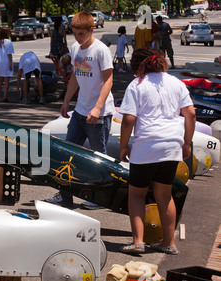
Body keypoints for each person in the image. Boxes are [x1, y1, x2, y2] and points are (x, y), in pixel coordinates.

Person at [118, 48, 196, 254]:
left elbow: (128, 119)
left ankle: (138, 241)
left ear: (138, 65)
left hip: (146, 146)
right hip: (171, 145)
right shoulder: (177, 84)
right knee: (164, 195)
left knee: (136, 195)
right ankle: (169, 243)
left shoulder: (136, 85)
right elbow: (191, 114)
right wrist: (187, 142)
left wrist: (123, 145)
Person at [46, 11, 115, 208]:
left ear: (91, 30)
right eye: (74, 33)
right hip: (80, 111)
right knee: (67, 153)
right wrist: (66, 101)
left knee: (99, 157)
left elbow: (108, 80)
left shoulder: (101, 50)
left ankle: (101, 198)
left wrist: (98, 107)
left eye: (81, 34)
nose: (77, 38)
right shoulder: (76, 48)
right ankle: (64, 196)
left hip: (98, 114)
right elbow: (75, 76)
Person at [0, 27, 14, 102]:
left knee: (0, 80)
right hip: (6, 63)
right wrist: (11, 64)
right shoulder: (8, 42)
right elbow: (9, 54)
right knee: (6, 80)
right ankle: (5, 97)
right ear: (7, 34)